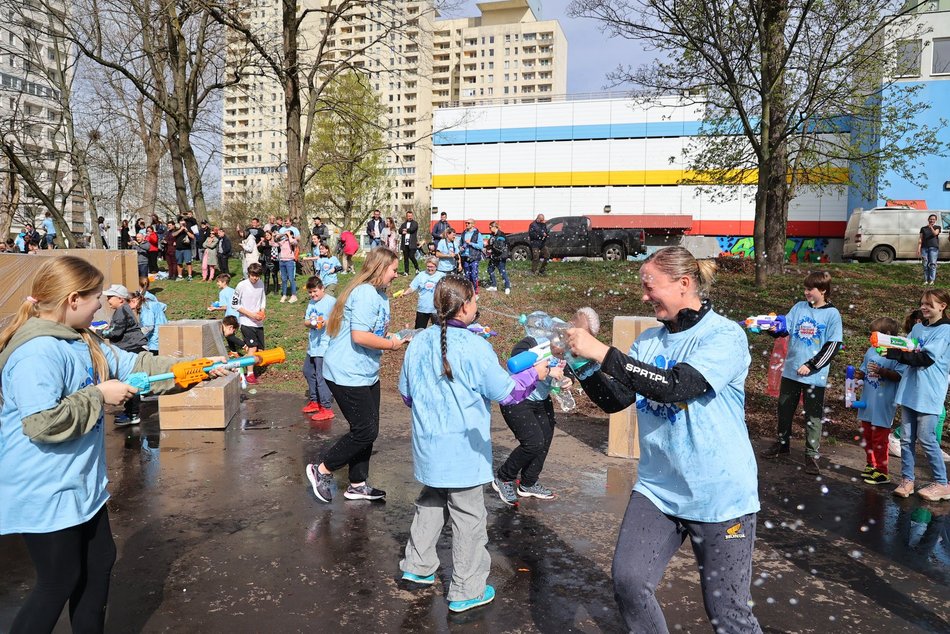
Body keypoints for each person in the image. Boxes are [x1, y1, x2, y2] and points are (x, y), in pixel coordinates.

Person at [0, 256, 226, 634]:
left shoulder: (84, 340)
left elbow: (137, 366)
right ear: (73, 299)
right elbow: (41, 423)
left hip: (80, 486)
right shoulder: (37, 352)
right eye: (96, 299)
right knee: (59, 580)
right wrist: (98, 395)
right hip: (44, 488)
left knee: (99, 562)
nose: (101, 305)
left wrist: (201, 367)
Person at [565, 246, 761, 633]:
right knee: (629, 583)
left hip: (720, 495)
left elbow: (677, 386)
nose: (643, 296)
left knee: (728, 613)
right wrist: (583, 365)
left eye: (650, 286)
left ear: (684, 284)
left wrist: (603, 353)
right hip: (658, 490)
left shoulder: (724, 336)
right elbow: (618, 400)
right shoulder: (648, 342)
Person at [397, 276, 549, 613]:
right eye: (475, 300)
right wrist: (535, 375)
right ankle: (466, 590)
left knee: (431, 501)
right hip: (462, 453)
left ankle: (417, 566)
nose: (477, 305)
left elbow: (407, 395)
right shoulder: (475, 348)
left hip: (429, 448)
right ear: (465, 306)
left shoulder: (419, 341)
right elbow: (507, 393)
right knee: (468, 517)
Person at [304, 248, 405, 504]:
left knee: (368, 430)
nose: (396, 275)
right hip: (346, 373)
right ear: (381, 268)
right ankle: (322, 469)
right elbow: (359, 336)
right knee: (365, 431)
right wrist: (392, 344)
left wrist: (392, 338)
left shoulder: (380, 295)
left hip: (366, 371)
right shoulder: (364, 294)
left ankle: (358, 484)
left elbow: (372, 332)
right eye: (393, 270)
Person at [760, 271, 843, 475]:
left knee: (813, 416)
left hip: (814, 376)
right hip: (790, 372)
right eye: (805, 289)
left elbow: (833, 346)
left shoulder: (832, 314)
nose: (806, 292)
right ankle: (782, 444)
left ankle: (811, 454)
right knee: (784, 409)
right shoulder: (798, 308)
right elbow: (784, 329)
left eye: (810, 289)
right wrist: (770, 327)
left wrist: (812, 365)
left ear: (823, 291)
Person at [885, 289, 950, 501]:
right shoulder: (918, 328)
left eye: (929, 305)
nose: (923, 307)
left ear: (942, 306)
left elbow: (924, 359)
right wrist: (889, 346)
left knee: (927, 438)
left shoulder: (946, 330)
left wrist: (897, 353)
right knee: (906, 439)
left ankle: (942, 484)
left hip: (929, 393)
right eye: (922, 303)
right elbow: (907, 348)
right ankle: (907, 480)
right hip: (910, 391)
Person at [853, 317, 904, 485]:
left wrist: (882, 371)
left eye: (874, 334)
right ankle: (871, 464)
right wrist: (858, 376)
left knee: (880, 438)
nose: (871, 337)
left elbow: (899, 376)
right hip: (868, 401)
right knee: (867, 435)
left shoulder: (897, 353)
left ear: (887, 335)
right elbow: (863, 370)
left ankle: (882, 471)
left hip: (884, 404)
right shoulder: (871, 351)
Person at [101, 284, 149, 426]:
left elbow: (115, 332)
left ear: (121, 299)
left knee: (131, 382)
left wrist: (98, 332)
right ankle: (131, 412)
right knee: (131, 381)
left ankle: (132, 414)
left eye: (110, 297)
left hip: (131, 347)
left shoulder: (121, 310)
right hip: (132, 346)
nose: (108, 300)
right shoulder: (124, 309)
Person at [301, 276, 337, 422]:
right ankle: (315, 401)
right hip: (313, 345)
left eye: (315, 291)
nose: (313, 295)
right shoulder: (311, 303)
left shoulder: (331, 302)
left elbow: (338, 319)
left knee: (321, 375)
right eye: (310, 292)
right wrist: (312, 324)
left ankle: (326, 408)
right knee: (308, 371)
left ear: (322, 288)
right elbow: (306, 321)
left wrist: (325, 322)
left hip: (325, 344)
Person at [230, 262, 267, 384]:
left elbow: (262, 299)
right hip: (246, 321)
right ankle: (250, 374)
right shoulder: (241, 285)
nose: (255, 278)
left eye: (257, 276)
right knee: (252, 347)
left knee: (260, 350)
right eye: (252, 275)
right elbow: (234, 304)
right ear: (248, 274)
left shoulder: (261, 283)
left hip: (258, 322)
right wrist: (250, 314)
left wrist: (262, 311)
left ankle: (237, 365)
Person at [402, 257, 445, 328]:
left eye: (432, 267)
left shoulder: (442, 276)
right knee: (419, 330)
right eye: (428, 266)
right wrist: (405, 293)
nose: (429, 269)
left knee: (438, 331)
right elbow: (412, 287)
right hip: (422, 308)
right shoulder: (421, 275)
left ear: (436, 266)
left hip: (436, 308)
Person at [129, 290, 167, 356]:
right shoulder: (149, 303)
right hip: (161, 338)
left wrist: (134, 337)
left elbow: (148, 327)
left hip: (155, 343)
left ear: (133, 301)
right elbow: (163, 306)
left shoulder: (145, 308)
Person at [485, 221, 511, 295]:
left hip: (501, 256)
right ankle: (494, 285)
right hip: (494, 256)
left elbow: (500, 248)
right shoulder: (492, 235)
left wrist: (491, 246)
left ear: (495, 227)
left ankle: (507, 287)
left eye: (490, 227)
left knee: (502, 272)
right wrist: (487, 246)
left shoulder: (501, 235)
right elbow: (491, 244)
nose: (489, 229)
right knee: (490, 270)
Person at [460, 219, 483, 294]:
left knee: (473, 275)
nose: (466, 224)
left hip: (474, 257)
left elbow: (480, 246)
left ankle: (475, 290)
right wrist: (460, 248)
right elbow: (461, 244)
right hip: (465, 256)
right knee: (467, 275)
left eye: (468, 223)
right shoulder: (464, 233)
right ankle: (468, 290)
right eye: (466, 223)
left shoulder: (477, 234)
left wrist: (470, 243)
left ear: (473, 224)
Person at [276, 227, 299, 303]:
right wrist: (282, 234)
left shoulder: (293, 240)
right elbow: (275, 241)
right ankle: (284, 295)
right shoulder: (283, 241)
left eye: (288, 233)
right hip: (282, 261)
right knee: (283, 279)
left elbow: (293, 242)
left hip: (289, 261)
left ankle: (294, 295)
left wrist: (289, 235)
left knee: (291, 278)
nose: (286, 234)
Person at [918, 213, 941, 286]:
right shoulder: (923, 228)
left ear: (935, 220)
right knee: (925, 264)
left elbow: (935, 234)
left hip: (933, 248)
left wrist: (931, 227)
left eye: (933, 219)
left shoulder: (937, 227)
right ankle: (925, 280)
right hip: (924, 248)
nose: (932, 220)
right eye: (931, 219)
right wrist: (918, 249)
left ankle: (931, 280)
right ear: (928, 219)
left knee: (932, 264)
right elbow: (920, 239)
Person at [399, 211, 420, 275]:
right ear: (406, 216)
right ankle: (406, 271)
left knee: (411, 256)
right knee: (405, 258)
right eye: (408, 216)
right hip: (405, 243)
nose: (409, 217)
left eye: (411, 216)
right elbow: (399, 230)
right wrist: (402, 231)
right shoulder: (403, 224)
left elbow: (412, 229)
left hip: (412, 243)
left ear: (412, 216)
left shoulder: (415, 223)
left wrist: (406, 230)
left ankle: (417, 268)